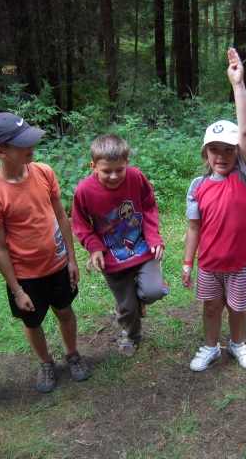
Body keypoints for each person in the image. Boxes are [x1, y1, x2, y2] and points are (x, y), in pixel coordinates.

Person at [0, 112, 88, 394]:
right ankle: (45, 361)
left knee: (65, 310)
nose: (32, 147)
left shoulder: (44, 172)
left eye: (31, 140)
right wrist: (17, 290)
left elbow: (61, 216)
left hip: (58, 264)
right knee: (33, 320)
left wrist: (72, 259)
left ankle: (72, 353)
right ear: (0, 152)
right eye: (23, 143)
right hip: (26, 276)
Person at [182, 48, 246, 372]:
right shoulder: (197, 186)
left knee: (237, 308)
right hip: (210, 264)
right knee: (212, 307)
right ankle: (210, 346)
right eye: (214, 149)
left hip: (241, 263)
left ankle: (237, 343)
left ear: (238, 153)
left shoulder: (245, 178)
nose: (221, 155)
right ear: (206, 153)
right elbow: (194, 228)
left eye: (229, 149)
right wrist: (188, 262)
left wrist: (238, 85)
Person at [71, 133, 169, 358]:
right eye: (107, 171)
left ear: (127, 162)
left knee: (154, 291)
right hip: (112, 257)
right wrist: (94, 248)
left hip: (143, 249)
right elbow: (81, 224)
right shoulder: (84, 190)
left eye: (119, 170)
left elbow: (149, 207)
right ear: (93, 166)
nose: (114, 176)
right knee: (126, 306)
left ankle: (137, 300)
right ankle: (132, 335)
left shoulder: (136, 177)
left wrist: (153, 236)